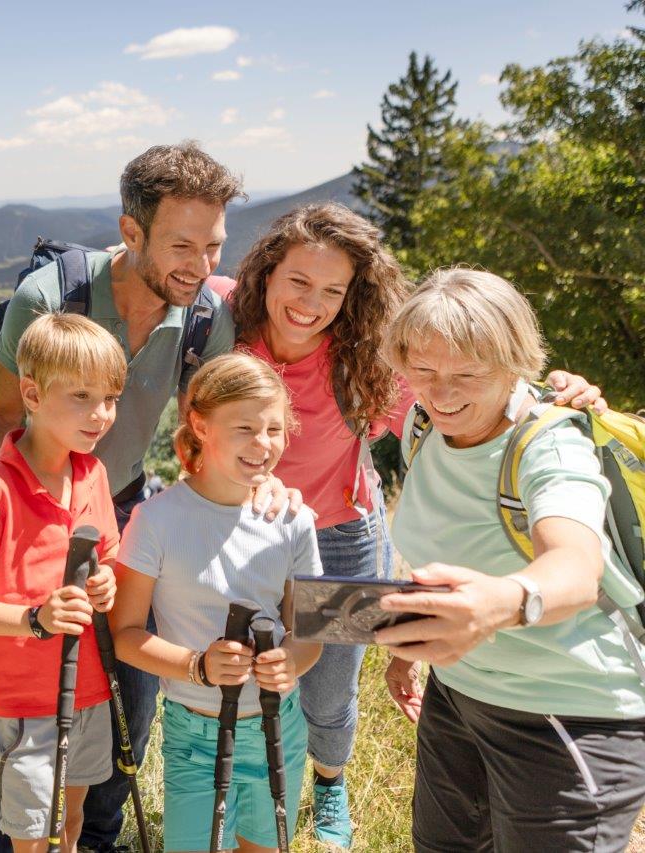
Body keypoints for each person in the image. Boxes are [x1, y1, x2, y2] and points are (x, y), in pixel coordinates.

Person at [0, 141, 302, 853]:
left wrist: (264, 473)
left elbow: (222, 418)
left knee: (125, 688)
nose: (201, 267)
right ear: (131, 232)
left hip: (122, 501)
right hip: (32, 501)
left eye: (214, 246)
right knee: (12, 682)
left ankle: (93, 837)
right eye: (181, 245)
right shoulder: (50, 300)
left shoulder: (203, 318)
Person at [223, 203, 606, 847]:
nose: (311, 302)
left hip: (341, 536)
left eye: (333, 290)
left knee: (328, 686)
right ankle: (252, 788)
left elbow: (476, 391)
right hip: (243, 534)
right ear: (265, 274)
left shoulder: (366, 361)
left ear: (354, 296)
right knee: (247, 666)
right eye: (297, 281)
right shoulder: (221, 324)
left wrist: (567, 399)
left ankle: (331, 783)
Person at [373, 267, 645, 852]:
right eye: (422, 371)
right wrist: (416, 647)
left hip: (568, 714)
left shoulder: (549, 444)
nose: (441, 393)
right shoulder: (423, 424)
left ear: (514, 364)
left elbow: (575, 565)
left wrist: (500, 603)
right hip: (460, 695)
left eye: (468, 374)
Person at [112, 353, 323, 852]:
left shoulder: (295, 520)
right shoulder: (155, 520)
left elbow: (311, 631)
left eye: (274, 429)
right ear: (200, 426)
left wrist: (290, 662)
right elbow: (124, 636)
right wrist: (197, 666)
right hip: (194, 735)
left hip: (279, 725)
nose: (263, 445)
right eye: (245, 428)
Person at [0, 313, 123, 853]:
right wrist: (32, 619)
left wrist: (105, 582)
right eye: (82, 396)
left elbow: (105, 559)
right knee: (31, 833)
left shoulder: (92, 474)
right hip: (20, 700)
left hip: (85, 686)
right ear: (32, 394)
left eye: (109, 397)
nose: (101, 414)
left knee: (72, 820)